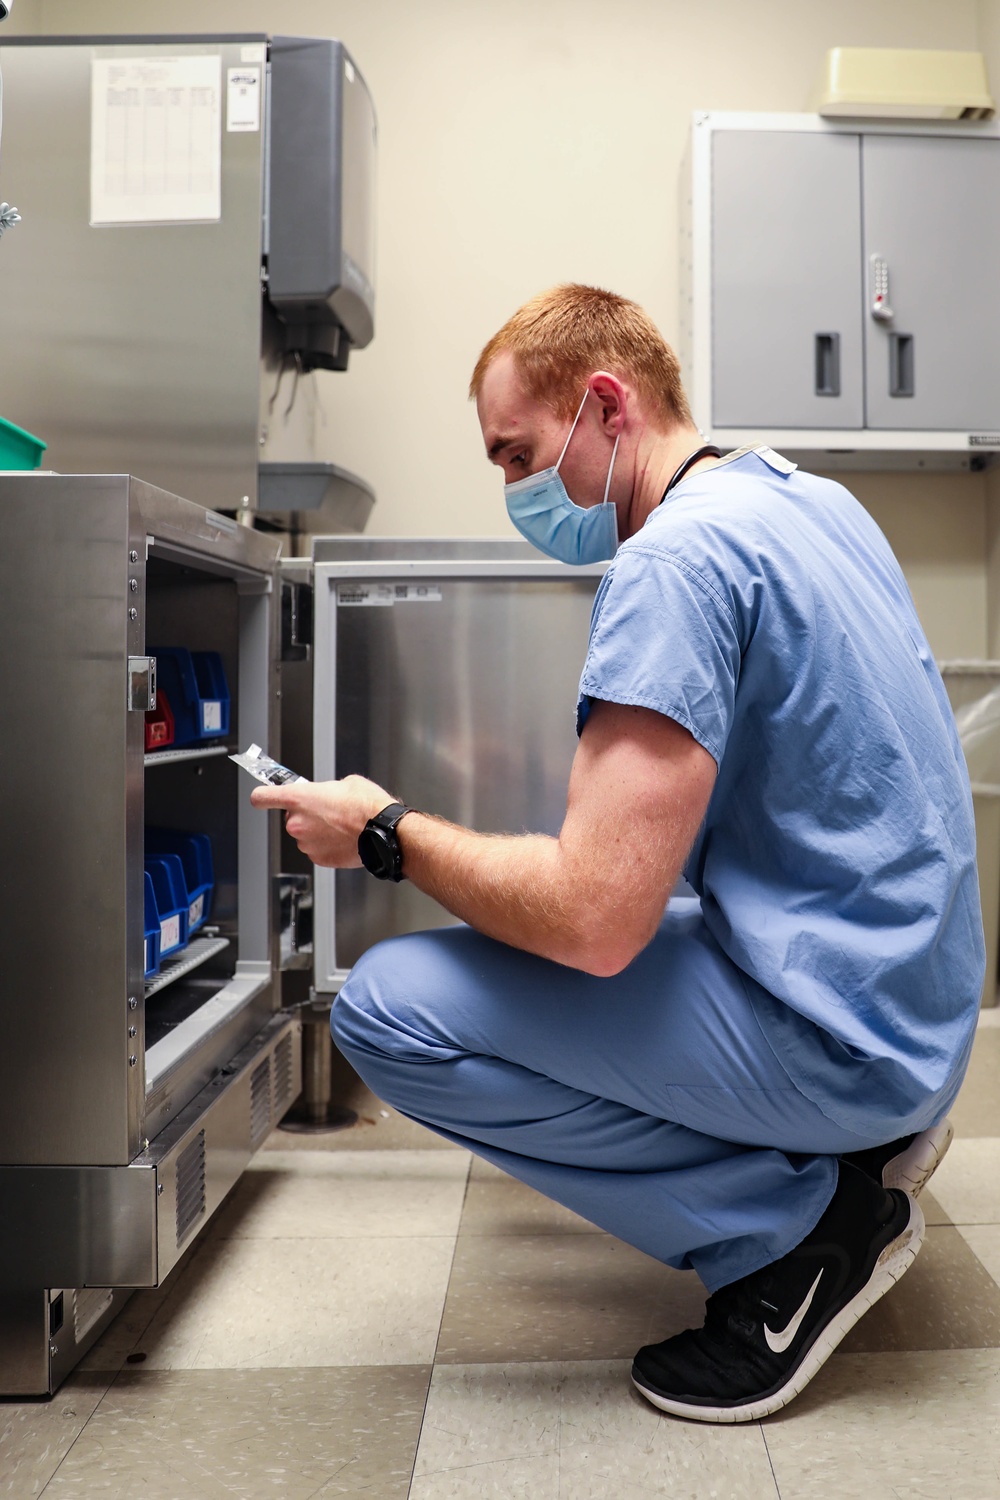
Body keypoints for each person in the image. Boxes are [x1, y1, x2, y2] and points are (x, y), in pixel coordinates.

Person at [251, 284, 984, 1422]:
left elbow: (596, 923)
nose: (514, 493)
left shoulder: (673, 564)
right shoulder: (809, 502)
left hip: (849, 1042)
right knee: (584, 922)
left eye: (518, 455)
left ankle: (796, 1237)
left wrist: (385, 834)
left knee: (388, 1008)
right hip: (913, 1004)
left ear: (604, 404)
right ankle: (837, 1160)